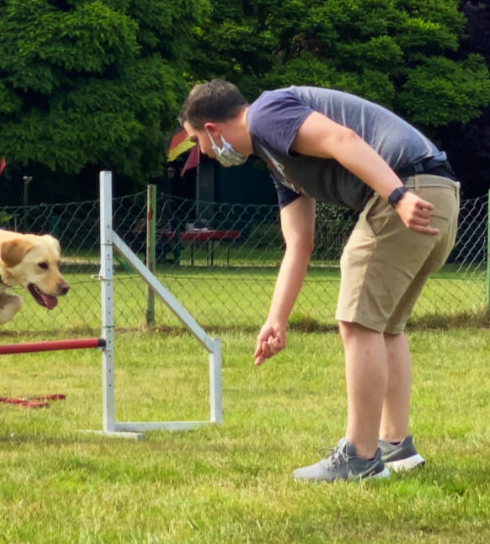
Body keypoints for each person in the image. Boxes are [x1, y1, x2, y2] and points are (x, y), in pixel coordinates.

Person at [178, 79, 460, 482]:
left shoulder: (265, 114)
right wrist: (277, 319)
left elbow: (340, 138)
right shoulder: (277, 160)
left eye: (195, 142)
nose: (203, 153)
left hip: (407, 190)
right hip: (437, 190)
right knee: (386, 327)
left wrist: (397, 196)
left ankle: (360, 459)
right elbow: (299, 244)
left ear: (212, 130)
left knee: (358, 321)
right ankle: (395, 447)